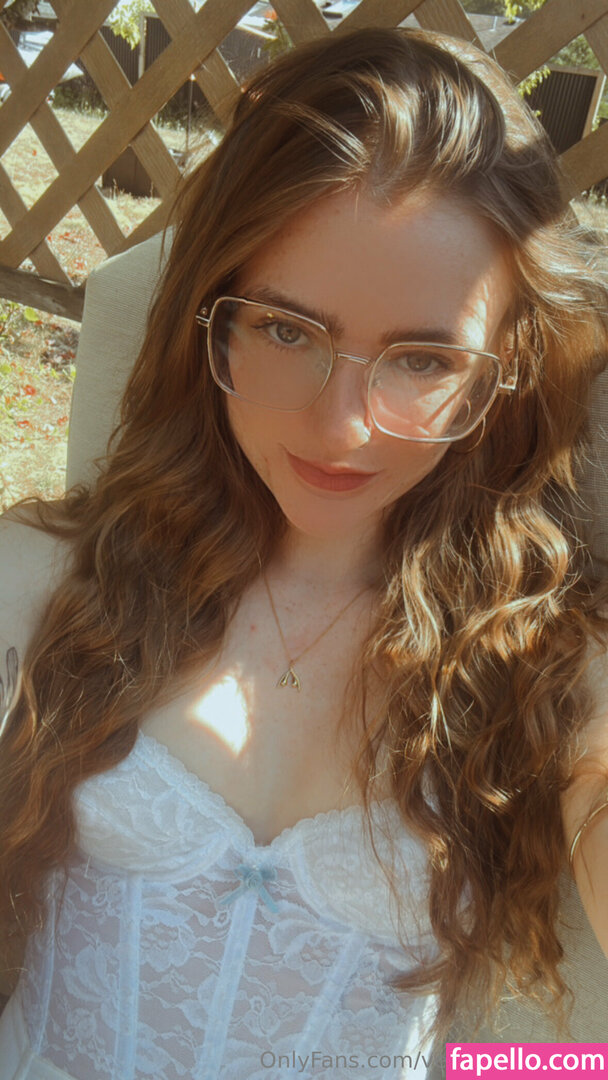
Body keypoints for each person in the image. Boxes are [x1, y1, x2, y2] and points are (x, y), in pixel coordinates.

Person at [1, 25, 608, 1080]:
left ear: (506, 368)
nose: (342, 428)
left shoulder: (544, 663)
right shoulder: (48, 578)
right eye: (287, 331)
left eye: (422, 360)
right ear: (210, 319)